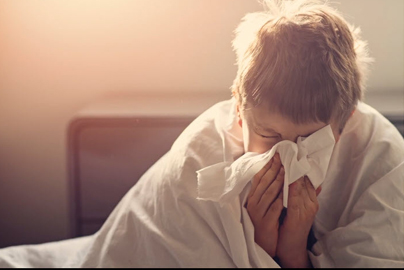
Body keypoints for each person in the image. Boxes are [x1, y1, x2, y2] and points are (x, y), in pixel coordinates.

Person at [0, 0, 403, 268]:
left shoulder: (381, 157)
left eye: (306, 142)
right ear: (239, 110)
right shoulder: (203, 154)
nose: (285, 158)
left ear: (346, 120)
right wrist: (258, 245)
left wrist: (289, 248)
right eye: (268, 134)